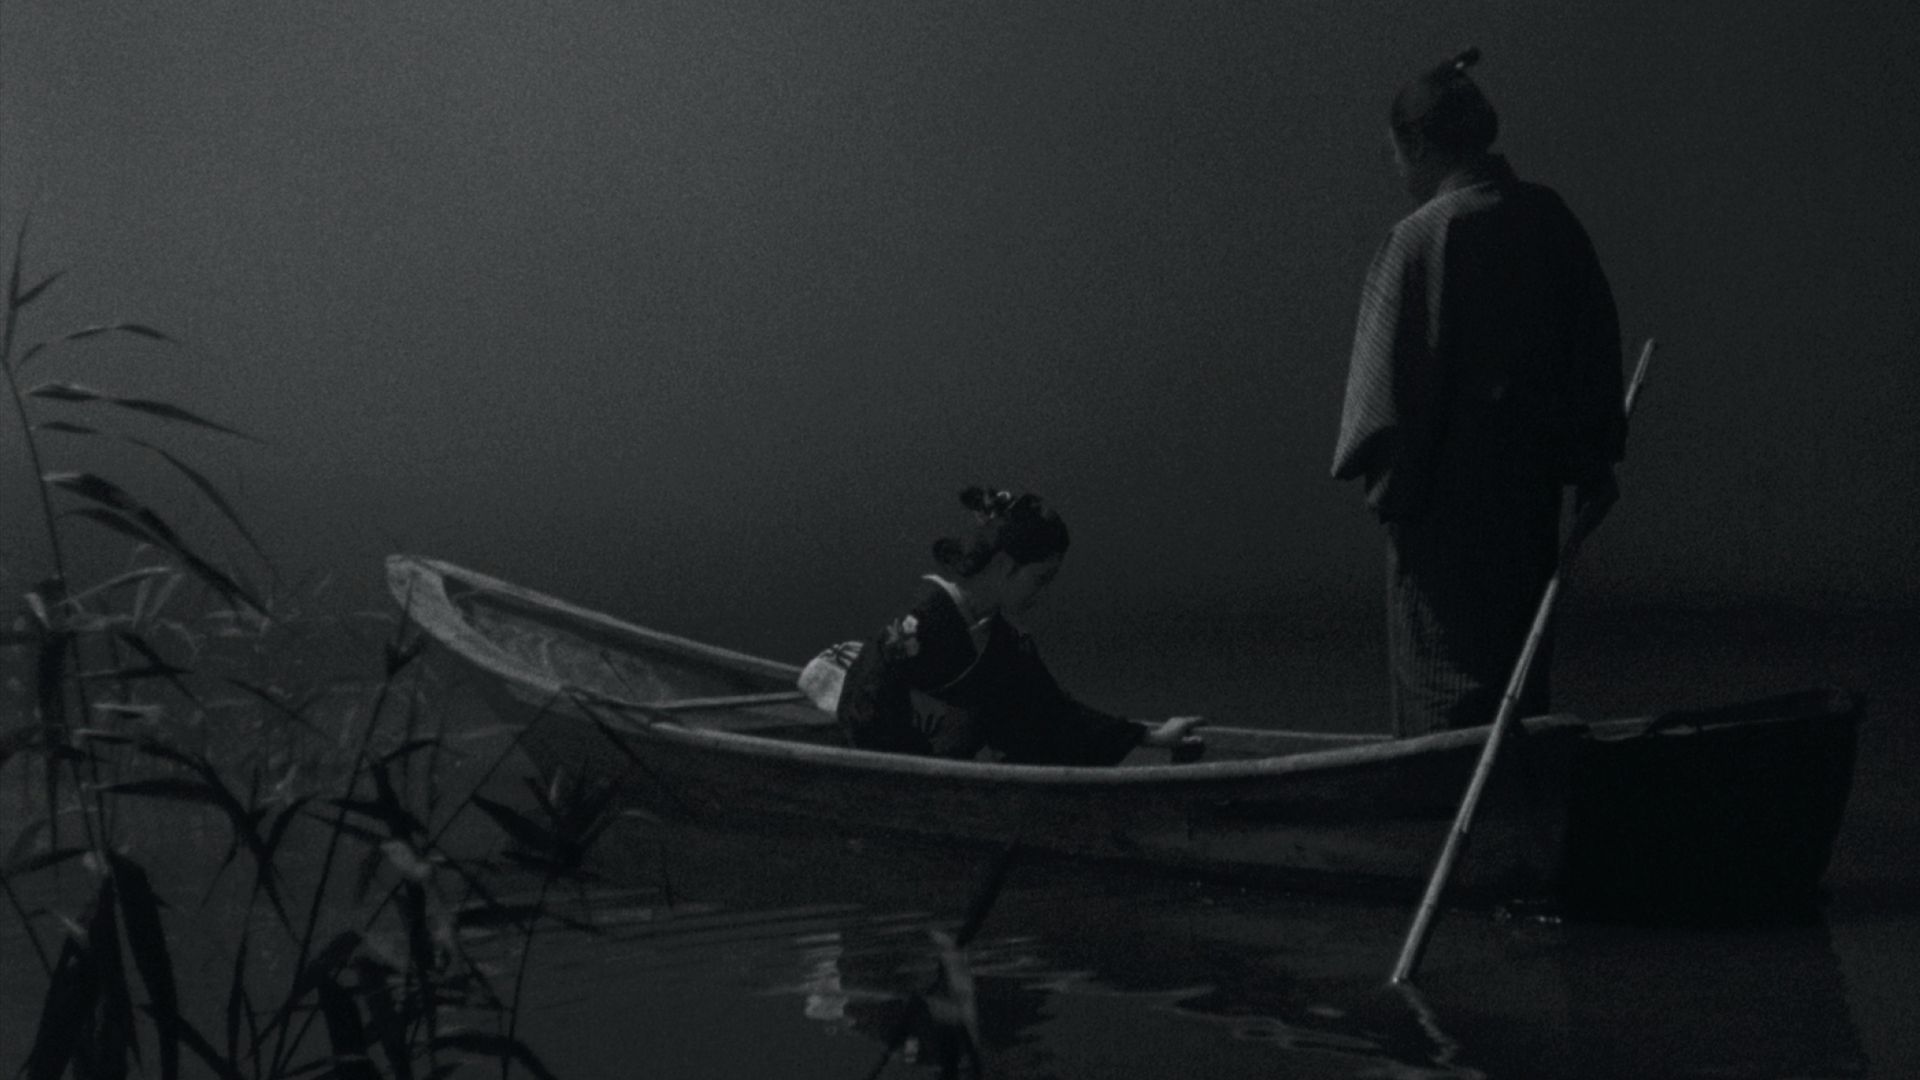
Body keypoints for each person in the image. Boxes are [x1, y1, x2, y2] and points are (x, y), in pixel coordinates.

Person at [1332, 48, 1625, 737]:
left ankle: (1447, 798)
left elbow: (1380, 417)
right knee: (1515, 692)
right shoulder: (1549, 218)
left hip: (1443, 523)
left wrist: (1396, 499)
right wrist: (1591, 462)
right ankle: (1517, 800)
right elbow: (1592, 356)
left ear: (1416, 144)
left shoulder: (1419, 241)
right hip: (1528, 511)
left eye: (1393, 151)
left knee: (1445, 700)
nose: (1395, 168)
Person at [835, 486, 1203, 764]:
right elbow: (866, 704)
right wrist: (914, 770)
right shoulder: (918, 623)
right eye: (1040, 579)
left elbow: (1051, 710)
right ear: (1005, 566)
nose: (1042, 593)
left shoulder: (1002, 642)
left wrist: (1150, 737)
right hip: (899, 770)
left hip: (945, 774)